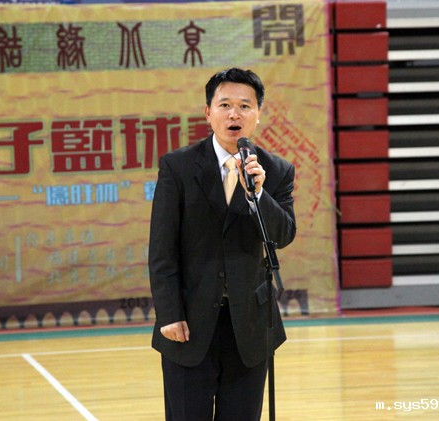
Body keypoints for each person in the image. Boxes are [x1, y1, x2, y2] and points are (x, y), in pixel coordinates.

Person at [148, 67, 296, 421]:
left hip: (250, 324)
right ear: (208, 112)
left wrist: (259, 193)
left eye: (245, 106)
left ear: (258, 114)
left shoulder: (275, 171)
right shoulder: (178, 167)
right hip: (189, 322)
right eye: (225, 105)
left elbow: (283, 235)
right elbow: (162, 249)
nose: (234, 115)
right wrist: (169, 314)